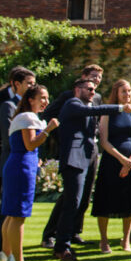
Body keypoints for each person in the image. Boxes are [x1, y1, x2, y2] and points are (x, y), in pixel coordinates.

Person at [52, 77, 131, 261]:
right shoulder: (72, 103)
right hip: (73, 160)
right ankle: (61, 247)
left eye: (94, 89)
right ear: (77, 89)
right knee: (72, 202)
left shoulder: (85, 108)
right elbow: (98, 110)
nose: (92, 92)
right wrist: (120, 108)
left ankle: (66, 242)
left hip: (86, 160)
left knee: (79, 202)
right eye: (88, 88)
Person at [41, 63, 104, 249]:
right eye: (93, 76)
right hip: (74, 149)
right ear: (83, 77)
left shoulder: (97, 97)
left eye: (99, 77)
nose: (97, 80)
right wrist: (64, 137)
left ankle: (74, 231)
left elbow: (96, 118)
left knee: (85, 195)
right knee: (70, 196)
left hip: (91, 148)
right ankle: (50, 234)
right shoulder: (70, 97)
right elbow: (49, 114)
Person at [0, 66, 35, 261]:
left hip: (18, 160)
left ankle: (2, 251)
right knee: (3, 207)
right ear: (16, 84)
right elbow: (3, 136)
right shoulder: (6, 104)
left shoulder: (24, 105)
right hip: (8, 160)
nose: (32, 87)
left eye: (33, 84)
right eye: (29, 84)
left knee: (6, 208)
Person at [0, 85, 58, 261]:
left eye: (47, 98)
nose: (45, 102)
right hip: (21, 168)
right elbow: (30, 144)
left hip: (20, 165)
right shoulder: (27, 117)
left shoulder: (26, 117)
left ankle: (6, 254)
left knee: (11, 214)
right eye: (42, 97)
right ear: (30, 99)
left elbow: (26, 147)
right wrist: (48, 129)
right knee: (18, 216)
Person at [92, 79, 131, 253]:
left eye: (129, 91)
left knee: (130, 202)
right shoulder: (108, 112)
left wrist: (130, 161)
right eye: (124, 91)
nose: (127, 95)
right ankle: (104, 240)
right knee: (105, 200)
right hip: (111, 162)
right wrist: (121, 159)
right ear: (116, 93)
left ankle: (126, 239)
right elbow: (104, 141)